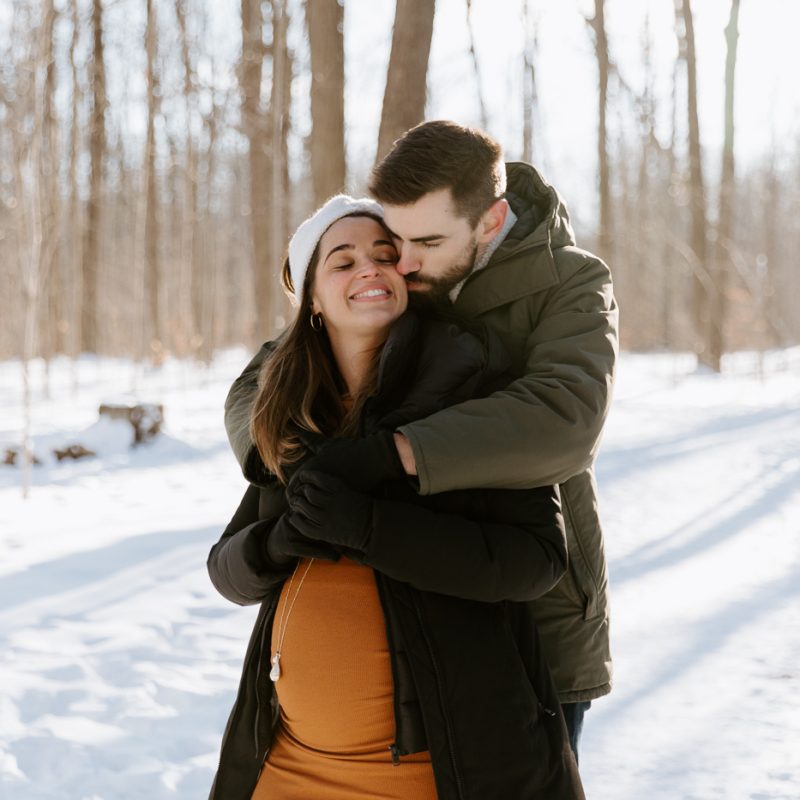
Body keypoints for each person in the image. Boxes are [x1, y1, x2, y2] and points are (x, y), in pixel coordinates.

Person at [225, 121, 619, 760]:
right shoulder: (399, 263)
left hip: (536, 608)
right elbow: (262, 383)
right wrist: (294, 464)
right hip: (409, 612)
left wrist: (385, 456)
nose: (399, 264)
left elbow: (565, 417)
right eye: (392, 241)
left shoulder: (568, 283)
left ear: (490, 223)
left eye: (425, 244)